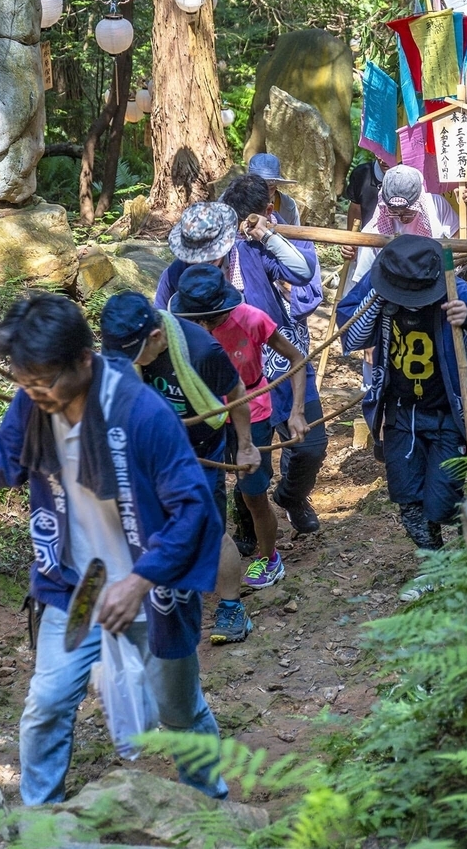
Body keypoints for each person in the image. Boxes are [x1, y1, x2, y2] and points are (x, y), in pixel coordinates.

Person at [0, 294, 227, 806]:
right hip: (75, 587)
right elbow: (1, 464)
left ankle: (211, 805)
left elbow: (193, 509)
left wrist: (141, 580)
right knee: (48, 702)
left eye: (44, 381)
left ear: (84, 358)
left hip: (151, 589)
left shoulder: (142, 412)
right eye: (25, 381)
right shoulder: (34, 404)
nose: (35, 393)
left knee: (178, 710)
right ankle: (42, 817)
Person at [156, 196, 325, 539]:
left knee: (307, 447)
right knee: (226, 468)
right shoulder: (175, 277)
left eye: (208, 253)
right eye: (192, 253)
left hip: (270, 367)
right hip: (205, 391)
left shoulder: (251, 252)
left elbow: (303, 272)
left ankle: (291, 498)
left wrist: (268, 236)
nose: (199, 261)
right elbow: (161, 332)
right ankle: (243, 525)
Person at [100, 291, 259, 646]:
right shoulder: (124, 348)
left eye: (131, 355)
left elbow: (236, 392)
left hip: (200, 447)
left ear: (156, 337)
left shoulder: (200, 349)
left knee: (210, 528)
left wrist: (246, 447)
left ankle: (232, 609)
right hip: (150, 448)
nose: (126, 362)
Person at [336, 235, 467, 549]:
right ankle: (432, 560)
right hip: (402, 412)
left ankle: (465, 544)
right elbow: (350, 333)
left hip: (448, 414)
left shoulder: (457, 290)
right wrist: (379, 297)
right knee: (407, 497)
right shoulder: (382, 283)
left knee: (441, 502)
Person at [170, 264, 308, 588]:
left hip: (254, 409)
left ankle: (269, 558)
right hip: (207, 413)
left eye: (213, 318)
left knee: (253, 493)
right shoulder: (181, 328)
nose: (204, 326)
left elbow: (297, 359)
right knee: (206, 488)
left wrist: (297, 412)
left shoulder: (252, 319)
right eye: (198, 319)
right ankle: (210, 557)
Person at [247, 155, 324, 348]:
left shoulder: (287, 206)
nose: (266, 192)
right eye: (261, 186)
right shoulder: (236, 200)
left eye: (271, 187)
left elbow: (296, 242)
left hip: (281, 264)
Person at [351, 165, 458, 285]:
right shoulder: (374, 231)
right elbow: (363, 279)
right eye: (394, 212)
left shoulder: (436, 205)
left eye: (408, 212)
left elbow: (459, 240)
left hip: (435, 279)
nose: (401, 218)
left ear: (419, 203)